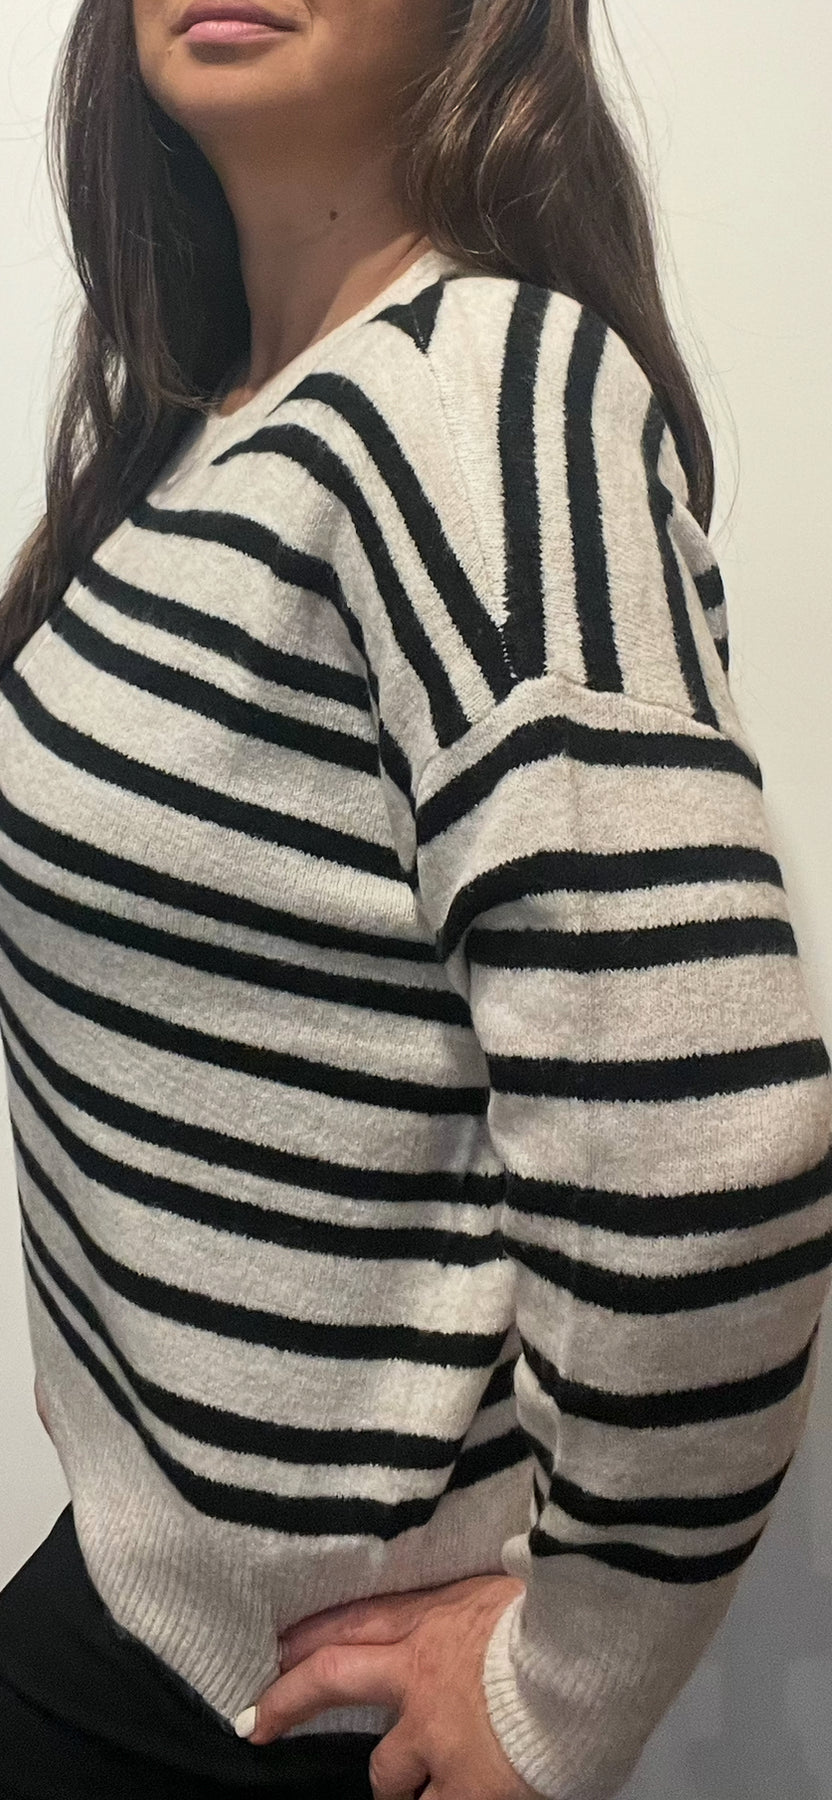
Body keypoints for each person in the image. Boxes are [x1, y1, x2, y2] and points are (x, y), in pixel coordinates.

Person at [0, 0, 830, 1797]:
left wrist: (569, 1689)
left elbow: (709, 1153)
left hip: (306, 1714)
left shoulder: (483, 396)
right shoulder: (215, 421)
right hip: (156, 1611)